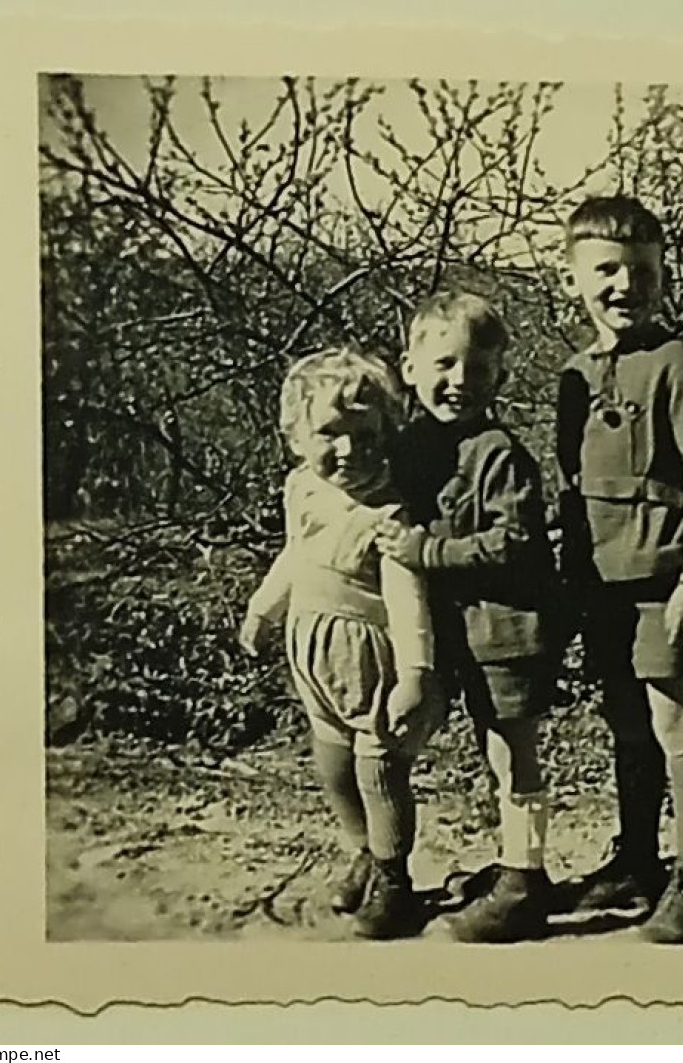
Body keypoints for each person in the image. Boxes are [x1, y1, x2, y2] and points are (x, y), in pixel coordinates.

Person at [555, 195, 683, 944]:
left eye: (641, 270)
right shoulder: (575, 372)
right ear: (571, 279)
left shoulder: (678, 365)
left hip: (666, 584)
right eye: (604, 270)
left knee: (674, 722)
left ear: (662, 274)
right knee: (626, 723)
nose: (623, 285)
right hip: (602, 586)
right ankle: (639, 857)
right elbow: (572, 482)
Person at [373, 291, 562, 943]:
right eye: (444, 364)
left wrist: (430, 550)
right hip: (458, 633)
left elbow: (515, 540)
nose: (459, 381)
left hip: (507, 629)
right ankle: (509, 863)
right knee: (486, 750)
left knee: (513, 751)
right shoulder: (413, 444)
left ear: (499, 378)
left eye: (477, 369)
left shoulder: (497, 451)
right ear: (410, 367)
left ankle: (524, 879)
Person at [239, 347, 446, 940]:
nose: (349, 450)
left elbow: (409, 601)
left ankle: (395, 879)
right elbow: (295, 555)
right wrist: (262, 609)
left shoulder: (387, 512)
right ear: (296, 438)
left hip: (371, 664)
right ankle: (363, 851)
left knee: (378, 771)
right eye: (330, 433)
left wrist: (416, 673)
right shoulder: (303, 490)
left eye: (364, 434)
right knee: (332, 768)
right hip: (315, 660)